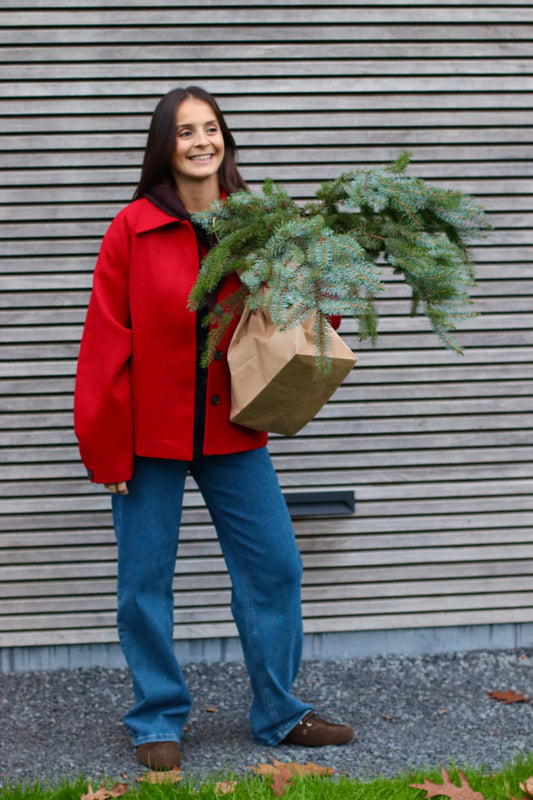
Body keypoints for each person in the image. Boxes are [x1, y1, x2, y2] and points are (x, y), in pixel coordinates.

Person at [74, 85, 354, 771]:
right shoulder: (132, 229)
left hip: (234, 429)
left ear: (224, 139)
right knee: (145, 581)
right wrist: (103, 444)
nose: (201, 141)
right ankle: (156, 718)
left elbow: (301, 320)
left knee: (274, 567)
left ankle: (279, 712)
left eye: (211, 129)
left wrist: (312, 276)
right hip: (147, 437)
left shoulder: (255, 224)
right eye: (184, 131)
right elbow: (105, 343)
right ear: (163, 146)